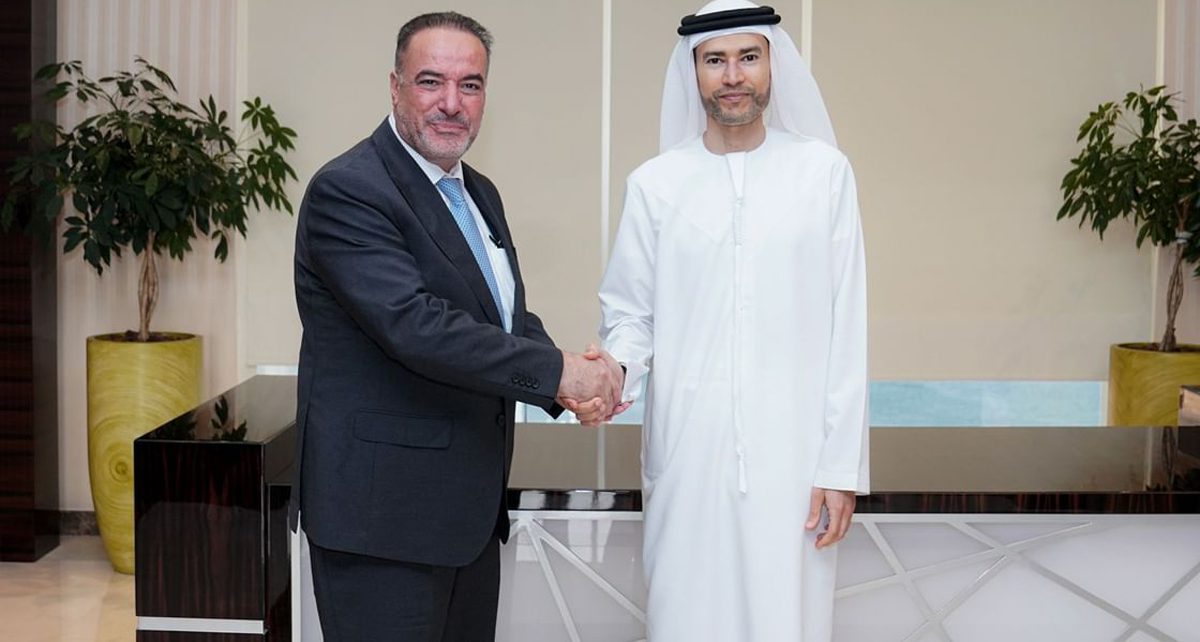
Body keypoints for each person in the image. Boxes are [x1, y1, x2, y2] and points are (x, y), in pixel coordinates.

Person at [291, 12, 622, 641]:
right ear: (395, 87)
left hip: (464, 518)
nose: (451, 103)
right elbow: (417, 326)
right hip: (383, 523)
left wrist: (570, 378)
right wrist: (559, 373)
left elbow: (499, 315)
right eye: (431, 81)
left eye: (470, 85)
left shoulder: (478, 193)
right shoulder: (350, 190)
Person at [598, 1, 870, 639]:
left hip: (796, 466)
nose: (732, 76)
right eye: (715, 60)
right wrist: (612, 375)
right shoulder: (655, 185)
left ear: (773, 65)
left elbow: (848, 329)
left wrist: (840, 470)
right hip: (687, 461)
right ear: (693, 72)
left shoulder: (823, 174)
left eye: (748, 57)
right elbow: (631, 317)